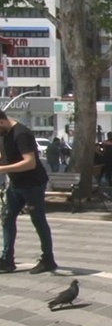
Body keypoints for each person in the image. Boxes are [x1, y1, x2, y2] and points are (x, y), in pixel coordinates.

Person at [0, 110, 57, 274]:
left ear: (2, 121)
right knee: (7, 217)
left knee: (38, 219)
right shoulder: (4, 134)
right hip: (16, 184)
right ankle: (7, 259)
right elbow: (5, 155)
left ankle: (48, 259)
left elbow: (30, 163)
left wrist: (3, 169)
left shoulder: (22, 134)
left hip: (33, 184)